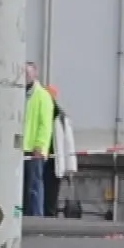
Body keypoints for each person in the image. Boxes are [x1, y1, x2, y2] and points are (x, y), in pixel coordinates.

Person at [22, 62, 54, 217]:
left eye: (28, 73)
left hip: (34, 149)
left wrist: (40, 146)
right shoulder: (20, 94)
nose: (25, 77)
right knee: (19, 186)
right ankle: (20, 214)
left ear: (35, 74)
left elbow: (45, 124)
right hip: (20, 147)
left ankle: (36, 216)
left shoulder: (42, 96)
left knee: (34, 185)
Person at [44, 86, 79, 218]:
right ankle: (47, 214)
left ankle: (49, 214)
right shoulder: (60, 116)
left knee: (51, 192)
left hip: (54, 160)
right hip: (46, 157)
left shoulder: (60, 117)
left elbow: (68, 143)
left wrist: (70, 167)